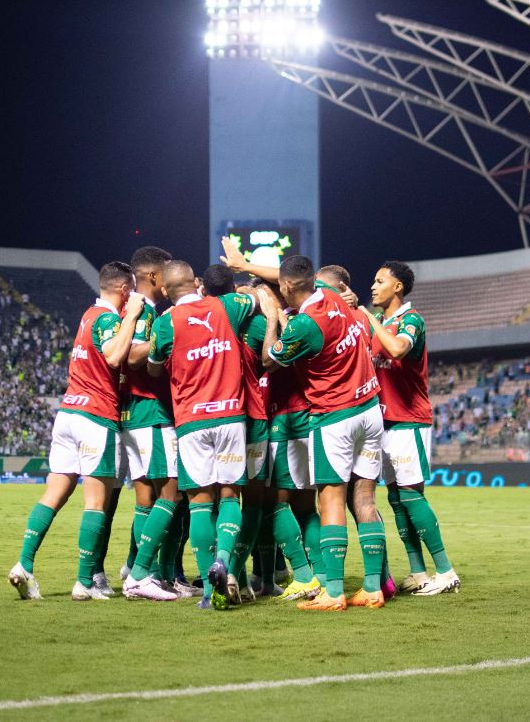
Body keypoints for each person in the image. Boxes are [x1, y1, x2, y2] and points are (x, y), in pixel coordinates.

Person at [8, 262, 143, 601]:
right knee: (96, 502)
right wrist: (132, 316)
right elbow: (114, 356)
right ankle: (84, 582)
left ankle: (24, 564)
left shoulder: (87, 316)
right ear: (125, 291)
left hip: (68, 412)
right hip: (95, 417)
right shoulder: (110, 319)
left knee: (53, 495)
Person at [260, 255, 385, 611]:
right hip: (370, 410)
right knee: (365, 501)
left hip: (335, 417)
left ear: (287, 286)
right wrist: (248, 266)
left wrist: (272, 318)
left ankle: (333, 591)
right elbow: (294, 277)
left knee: (329, 501)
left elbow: (269, 359)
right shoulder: (330, 294)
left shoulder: (303, 324)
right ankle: (372, 588)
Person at [202, 265, 319, 603]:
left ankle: (248, 577)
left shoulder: (219, 319)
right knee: (265, 502)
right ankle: (292, 574)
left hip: (220, 417)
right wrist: (269, 313)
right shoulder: (269, 323)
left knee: (230, 502)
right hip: (259, 418)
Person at [148, 260, 257, 610]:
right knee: (230, 497)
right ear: (195, 281)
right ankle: (223, 561)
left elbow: (153, 367)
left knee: (199, 504)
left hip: (191, 422)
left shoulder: (166, 323)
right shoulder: (227, 305)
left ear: (165, 290)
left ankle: (211, 594)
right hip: (230, 416)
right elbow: (255, 297)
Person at [358, 261, 459, 596]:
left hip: (408, 420)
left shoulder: (411, 320)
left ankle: (445, 571)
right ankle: (418, 572)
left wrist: (368, 317)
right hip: (383, 423)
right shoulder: (381, 324)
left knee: (412, 495)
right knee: (396, 499)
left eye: (379, 281)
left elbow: (399, 349)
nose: (372, 287)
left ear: (398, 286)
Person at [120, 247, 185, 602]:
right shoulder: (146, 310)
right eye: (166, 274)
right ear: (153, 276)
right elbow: (132, 355)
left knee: (145, 498)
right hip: (150, 412)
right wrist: (164, 331)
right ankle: (142, 574)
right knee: (172, 492)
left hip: (135, 413)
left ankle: (136, 568)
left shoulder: (133, 308)